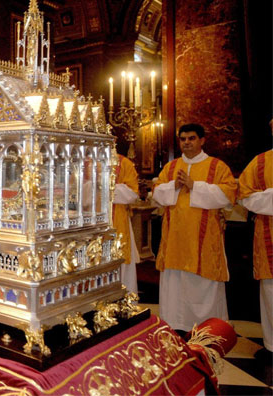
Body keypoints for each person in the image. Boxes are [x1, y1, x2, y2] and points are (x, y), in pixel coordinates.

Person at [151, 123, 237, 332]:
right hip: (175, 239)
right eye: (183, 139)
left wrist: (194, 185)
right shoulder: (171, 168)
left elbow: (228, 195)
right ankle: (176, 324)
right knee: (175, 284)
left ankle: (208, 327)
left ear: (202, 140)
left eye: (191, 138)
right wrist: (174, 186)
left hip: (204, 239)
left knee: (203, 284)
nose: (187, 142)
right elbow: (157, 194)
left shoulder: (217, 166)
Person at [237, 119, 273, 360]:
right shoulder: (260, 162)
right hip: (268, 234)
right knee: (271, 291)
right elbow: (244, 196)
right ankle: (272, 346)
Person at [113, 153, 140, 293]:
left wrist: (106, 185)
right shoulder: (87, 160)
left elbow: (133, 193)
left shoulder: (124, 163)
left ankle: (124, 302)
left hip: (118, 222)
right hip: (91, 223)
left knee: (120, 263)